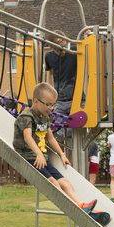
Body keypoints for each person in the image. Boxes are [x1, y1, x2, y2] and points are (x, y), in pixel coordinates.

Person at [13, 83, 100, 217]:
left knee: (65, 182)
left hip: (42, 158)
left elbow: (51, 138)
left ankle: (81, 205)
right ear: (36, 101)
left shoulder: (45, 117)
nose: (51, 108)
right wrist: (38, 154)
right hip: (30, 157)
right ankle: (74, 208)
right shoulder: (26, 116)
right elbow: (28, 137)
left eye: (53, 104)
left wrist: (62, 154)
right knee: (54, 183)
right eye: (48, 104)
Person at [44, 36, 78, 115]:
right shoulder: (49, 56)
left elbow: (87, 47)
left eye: (62, 40)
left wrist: (88, 35)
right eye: (58, 41)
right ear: (52, 46)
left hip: (74, 98)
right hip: (59, 100)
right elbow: (50, 75)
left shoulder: (74, 52)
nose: (61, 42)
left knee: (73, 125)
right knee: (58, 125)